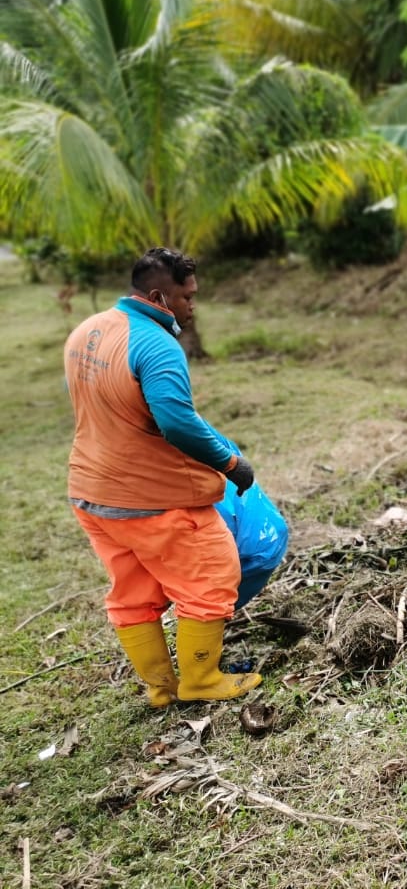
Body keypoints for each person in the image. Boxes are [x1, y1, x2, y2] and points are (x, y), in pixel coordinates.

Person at [64, 247, 262, 706]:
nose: (193, 306)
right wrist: (231, 464)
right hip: (154, 500)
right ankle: (201, 680)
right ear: (158, 297)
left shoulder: (87, 331)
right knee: (212, 577)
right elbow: (177, 423)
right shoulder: (156, 345)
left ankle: (160, 687)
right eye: (187, 297)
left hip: (91, 492)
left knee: (133, 592)